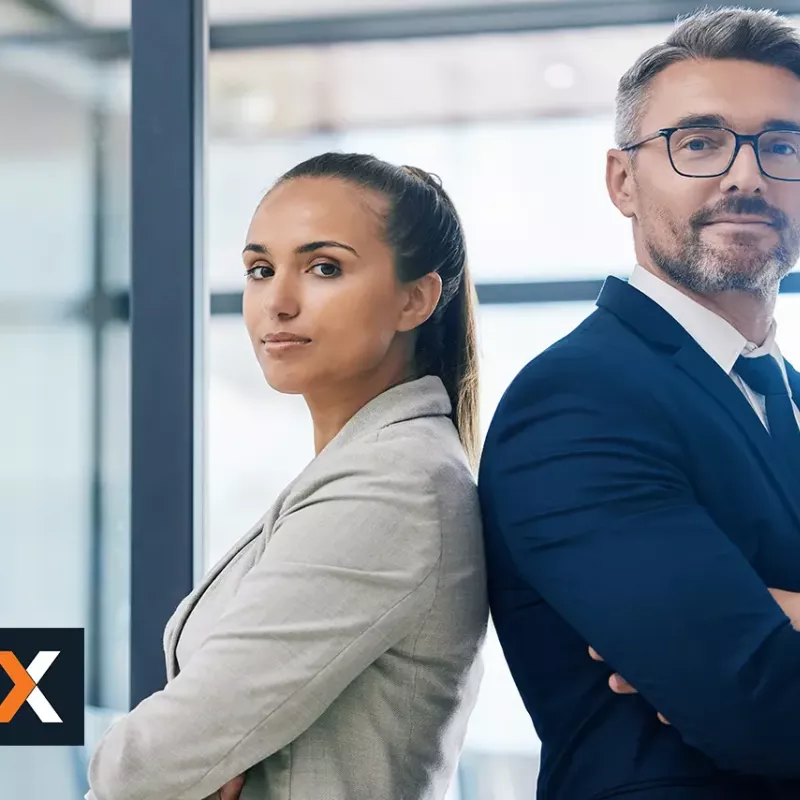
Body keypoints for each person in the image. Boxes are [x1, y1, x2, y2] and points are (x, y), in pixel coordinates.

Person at [84, 153, 488, 800]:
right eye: (260, 270)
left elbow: (145, 766)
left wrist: (166, 762)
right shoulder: (365, 466)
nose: (278, 301)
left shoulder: (392, 486)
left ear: (416, 299)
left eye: (324, 268)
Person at [478, 7, 800, 799]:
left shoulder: (785, 394)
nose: (746, 176)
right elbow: (763, 710)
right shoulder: (578, 401)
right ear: (622, 181)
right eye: (699, 143)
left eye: (783, 146)